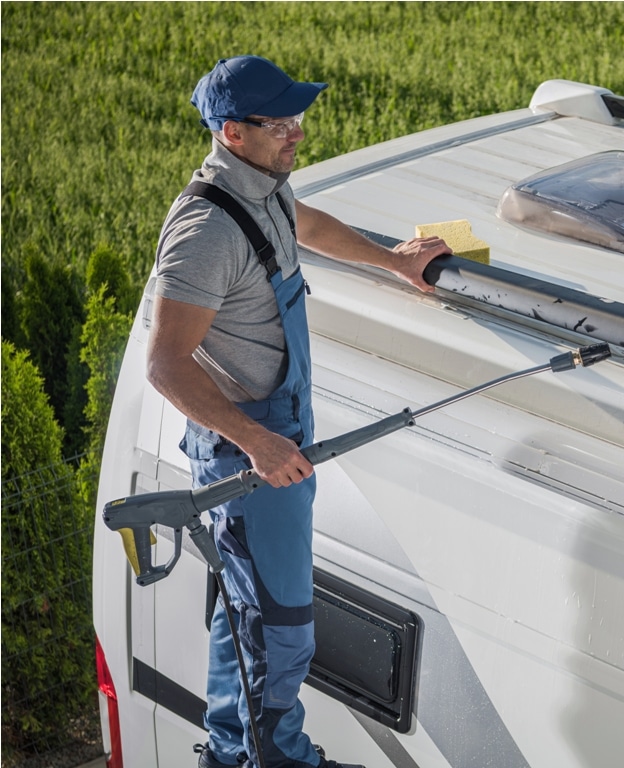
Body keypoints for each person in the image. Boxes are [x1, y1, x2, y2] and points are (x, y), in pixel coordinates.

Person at [148, 55, 452, 768]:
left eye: (299, 120)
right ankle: (274, 758)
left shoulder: (265, 188)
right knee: (279, 627)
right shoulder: (206, 235)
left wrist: (392, 260)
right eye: (281, 124)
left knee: (247, 613)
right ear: (232, 132)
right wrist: (257, 442)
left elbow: (306, 223)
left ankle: (233, 753)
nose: (298, 135)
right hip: (249, 453)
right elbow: (165, 365)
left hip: (274, 433)